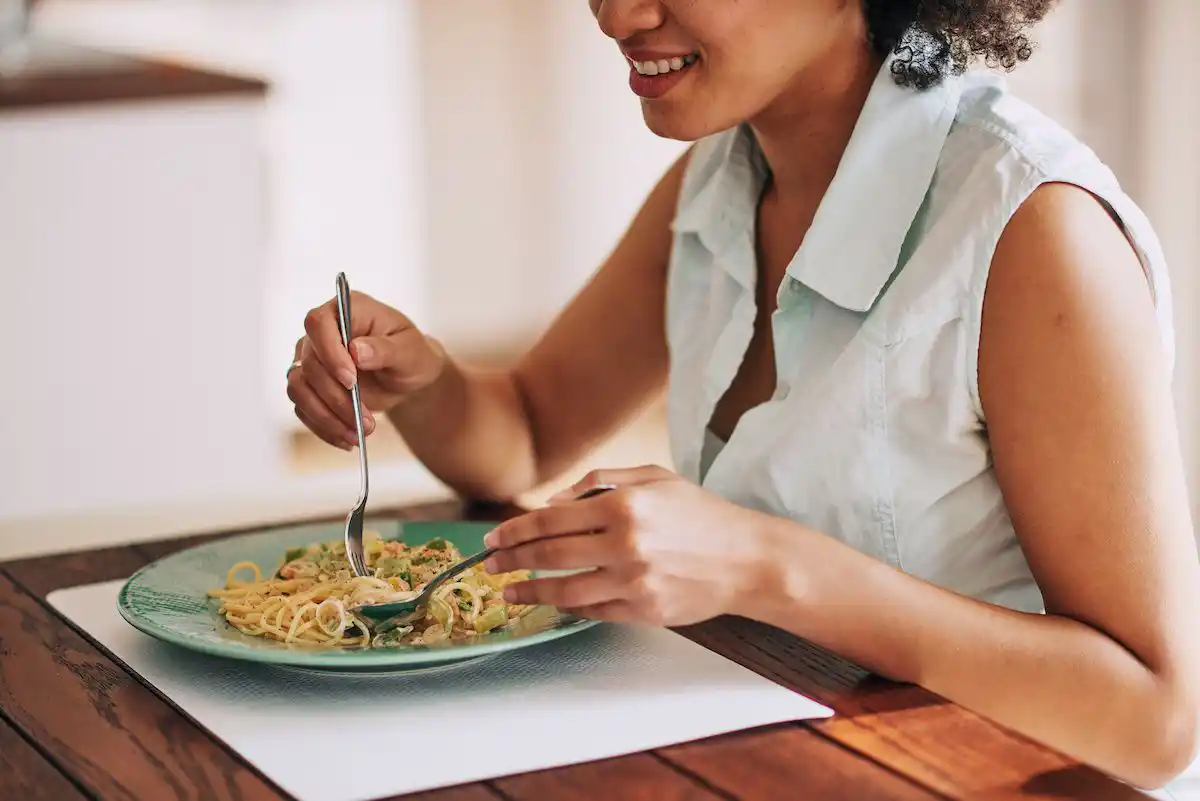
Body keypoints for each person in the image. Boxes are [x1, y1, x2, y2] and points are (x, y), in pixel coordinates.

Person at [286, 0, 1200, 788]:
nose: (617, 16)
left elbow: (1154, 721)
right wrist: (422, 379)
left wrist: (767, 567)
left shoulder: (1033, 228)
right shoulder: (718, 178)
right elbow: (525, 432)